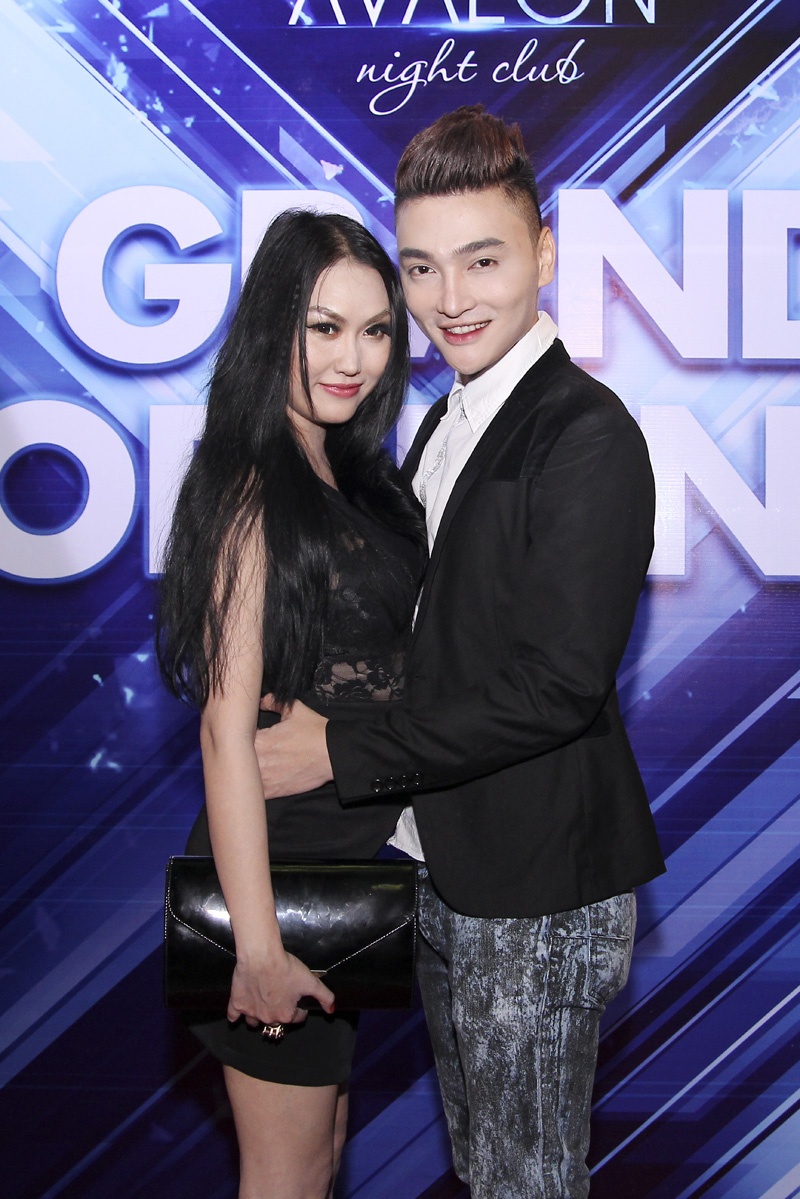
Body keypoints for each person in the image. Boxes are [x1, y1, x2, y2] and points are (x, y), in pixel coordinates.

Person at [254, 107, 666, 1198]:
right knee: (490, 1175)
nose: (448, 299)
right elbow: (431, 646)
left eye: (482, 260)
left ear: (543, 254)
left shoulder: (585, 434)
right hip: (446, 865)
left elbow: (555, 687)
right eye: (422, 267)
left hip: (536, 888)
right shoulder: (446, 420)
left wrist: (339, 750)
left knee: (523, 1184)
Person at [157, 209, 425, 1199]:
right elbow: (224, 731)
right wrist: (258, 948)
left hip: (337, 874)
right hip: (273, 885)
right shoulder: (249, 483)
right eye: (324, 327)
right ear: (277, 325)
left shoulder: (352, 475)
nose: (352, 357)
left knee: (318, 1156)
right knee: (287, 1173)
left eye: (375, 329)